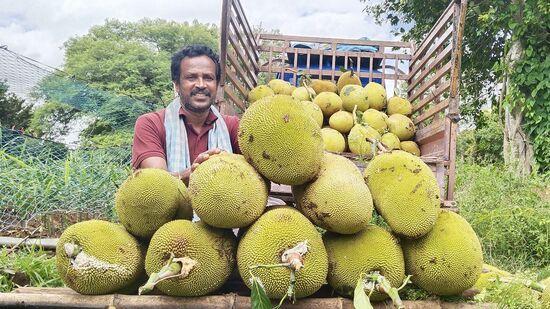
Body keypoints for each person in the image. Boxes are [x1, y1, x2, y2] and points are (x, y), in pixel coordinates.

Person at [132, 44, 240, 185]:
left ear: (216, 85)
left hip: (225, 205)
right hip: (173, 207)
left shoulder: (232, 126)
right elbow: (156, 183)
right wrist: (190, 174)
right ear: (177, 85)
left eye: (208, 78)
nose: (201, 84)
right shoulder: (150, 124)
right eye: (191, 77)